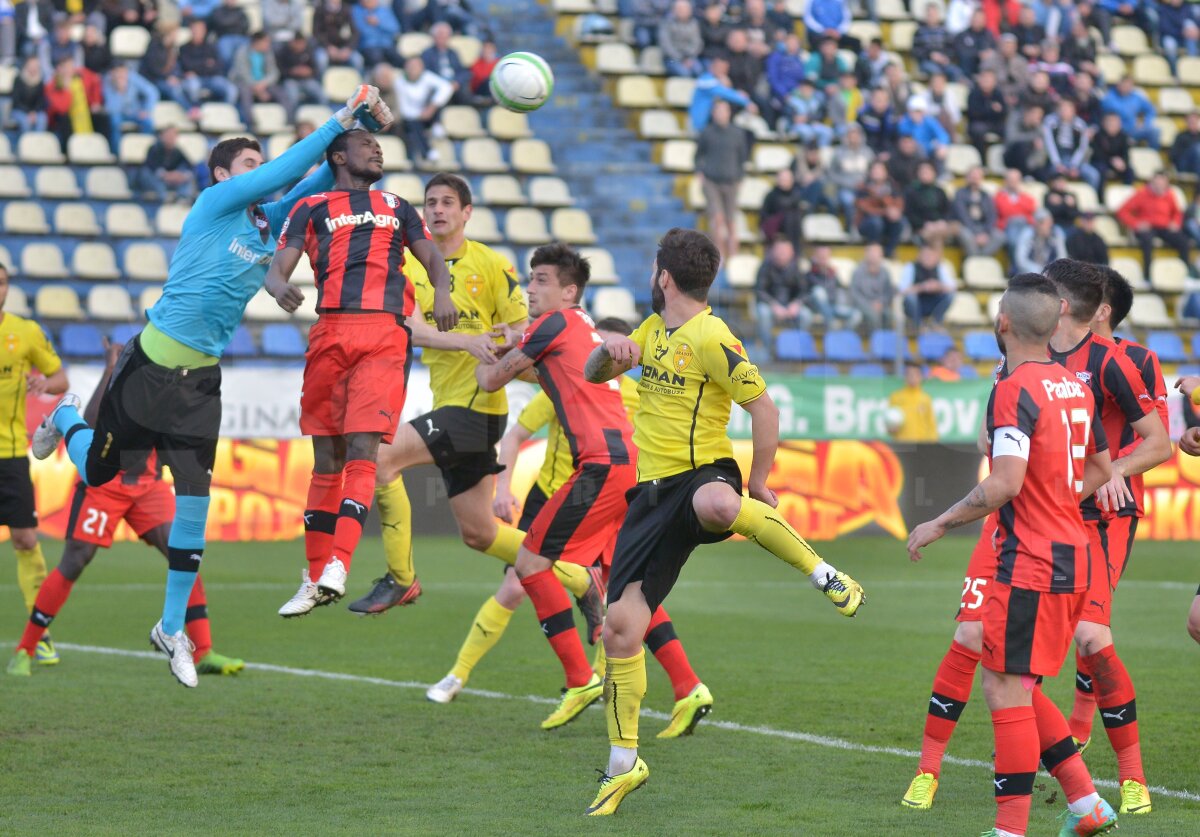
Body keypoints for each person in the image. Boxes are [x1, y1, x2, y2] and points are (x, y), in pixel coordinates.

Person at [31, 86, 398, 689]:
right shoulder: (213, 204)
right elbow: (287, 171)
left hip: (201, 379)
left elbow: (310, 186)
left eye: (259, 164)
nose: (261, 174)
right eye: (248, 165)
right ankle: (67, 416)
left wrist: (350, 134)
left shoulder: (266, 223)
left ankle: (171, 626)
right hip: (149, 365)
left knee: (194, 507)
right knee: (97, 475)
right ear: (224, 175)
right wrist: (338, 119)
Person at [581, 228, 865, 815]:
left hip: (702, 474)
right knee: (620, 628)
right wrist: (612, 349)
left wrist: (758, 481)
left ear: (664, 275)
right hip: (650, 499)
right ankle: (622, 764)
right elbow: (591, 374)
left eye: (655, 266)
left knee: (719, 505)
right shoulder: (650, 331)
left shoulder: (713, 336)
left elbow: (764, 406)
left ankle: (824, 573)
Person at [430, 317, 714, 741]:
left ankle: (475, 674)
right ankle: (687, 685)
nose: (608, 362)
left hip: (584, 492)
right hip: (612, 490)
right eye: (604, 352)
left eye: (614, 354)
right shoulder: (610, 385)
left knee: (523, 574)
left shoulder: (599, 383)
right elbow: (519, 427)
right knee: (626, 591)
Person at [907, 272, 1120, 837]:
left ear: (1003, 323)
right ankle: (1086, 802)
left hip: (1030, 560)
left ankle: (1010, 830)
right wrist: (1053, 496)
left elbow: (1002, 483)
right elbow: (1100, 469)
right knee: (1018, 681)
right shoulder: (1075, 384)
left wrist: (939, 522)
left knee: (1002, 686)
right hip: (1075, 552)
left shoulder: (1013, 389)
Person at [347, 174, 601, 628]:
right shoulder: (410, 266)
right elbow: (408, 327)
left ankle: (401, 576)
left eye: (448, 202)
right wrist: (468, 341)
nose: (438, 210)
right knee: (480, 534)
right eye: (430, 203)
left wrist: (508, 339)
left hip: (477, 411)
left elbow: (526, 327)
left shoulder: (490, 264)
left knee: (380, 458)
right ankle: (582, 580)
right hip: (453, 406)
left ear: (467, 212)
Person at [267, 130, 454, 615]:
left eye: (378, 144)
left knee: (363, 445)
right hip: (330, 331)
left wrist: (444, 291)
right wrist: (275, 285)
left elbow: (431, 254)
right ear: (338, 157)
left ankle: (339, 565)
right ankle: (311, 578)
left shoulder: (396, 204)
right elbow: (278, 267)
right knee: (326, 454)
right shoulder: (311, 207)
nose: (376, 149)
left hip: (383, 332)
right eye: (365, 144)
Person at [470, 244, 638, 729]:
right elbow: (534, 360)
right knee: (547, 563)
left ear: (569, 291)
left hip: (600, 465)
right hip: (618, 463)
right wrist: (511, 342)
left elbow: (489, 381)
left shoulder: (553, 324)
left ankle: (580, 674)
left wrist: (478, 351)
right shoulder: (579, 325)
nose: (530, 288)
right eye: (531, 278)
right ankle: (590, 615)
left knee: (529, 563)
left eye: (541, 280)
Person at [7, 339, 243, 678]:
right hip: (104, 485)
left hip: (146, 485)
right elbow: (91, 422)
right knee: (75, 560)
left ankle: (204, 651)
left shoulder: (175, 385)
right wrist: (109, 371)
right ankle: (25, 650)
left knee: (183, 553)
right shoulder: (126, 379)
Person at [1043, 258, 1171, 818]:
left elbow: (1158, 440)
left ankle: (1131, 777)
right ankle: (1048, 771)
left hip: (1104, 517)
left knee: (1092, 635)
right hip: (1045, 516)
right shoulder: (1031, 355)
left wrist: (1114, 471)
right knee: (1002, 649)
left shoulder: (1127, 360)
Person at [0, 263, 67, 666]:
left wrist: (44, 384)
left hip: (9, 455)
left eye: (2, 282)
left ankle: (39, 633)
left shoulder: (24, 332)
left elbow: (60, 378)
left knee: (25, 539)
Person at [695, 99, 749, 264]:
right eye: (718, 111)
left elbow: (743, 158)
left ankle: (734, 258)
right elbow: (698, 156)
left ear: (729, 113)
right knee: (717, 219)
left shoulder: (738, 134)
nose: (721, 114)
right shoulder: (707, 133)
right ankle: (719, 257)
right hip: (712, 181)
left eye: (724, 111)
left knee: (731, 221)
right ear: (713, 113)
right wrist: (700, 173)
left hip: (731, 181)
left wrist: (740, 177)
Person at [1115, 172, 1193, 274]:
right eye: (1157, 184)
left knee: (1183, 241)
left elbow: (1177, 213)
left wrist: (1175, 223)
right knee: (1147, 241)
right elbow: (1122, 211)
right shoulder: (1142, 194)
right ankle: (1148, 273)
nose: (1160, 187)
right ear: (1152, 183)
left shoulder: (1169, 195)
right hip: (1148, 227)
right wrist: (1136, 224)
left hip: (1164, 227)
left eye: (1162, 184)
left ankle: (1184, 272)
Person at [392, 56, 455, 167]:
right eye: (410, 66)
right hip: (412, 118)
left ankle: (436, 124)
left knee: (438, 97)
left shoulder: (427, 77)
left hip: (428, 113)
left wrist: (431, 108)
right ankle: (428, 152)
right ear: (405, 67)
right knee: (413, 124)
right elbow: (403, 109)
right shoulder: (399, 82)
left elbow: (446, 87)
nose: (413, 69)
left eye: (417, 66)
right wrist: (420, 115)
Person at [754, 238, 808, 353]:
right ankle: (767, 350)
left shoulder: (796, 268)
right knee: (763, 313)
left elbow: (804, 291)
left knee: (806, 315)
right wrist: (774, 306)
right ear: (773, 251)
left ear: (792, 253)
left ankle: (796, 349)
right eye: (779, 250)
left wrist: (796, 304)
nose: (782, 253)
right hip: (770, 306)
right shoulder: (765, 267)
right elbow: (759, 291)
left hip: (790, 306)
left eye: (785, 251)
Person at [178, 18, 237, 112]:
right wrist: (205, 64)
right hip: (195, 79)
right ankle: (197, 111)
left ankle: (223, 113)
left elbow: (218, 66)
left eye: (200, 29)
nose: (197, 32)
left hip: (211, 78)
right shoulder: (184, 48)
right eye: (195, 29)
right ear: (191, 30)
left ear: (204, 31)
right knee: (192, 86)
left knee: (231, 89)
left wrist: (198, 67)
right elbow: (186, 65)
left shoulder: (211, 47)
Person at [1041, 99, 1100, 192]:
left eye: (1068, 109)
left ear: (1073, 111)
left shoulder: (1080, 124)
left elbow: (1082, 147)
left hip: (1074, 158)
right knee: (1050, 174)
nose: (1064, 111)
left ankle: (1091, 200)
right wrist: (1057, 164)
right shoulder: (1050, 122)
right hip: (1055, 158)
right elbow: (1049, 144)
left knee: (1093, 175)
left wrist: (1074, 165)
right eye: (1062, 108)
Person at [130, 124, 197, 204]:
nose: (170, 138)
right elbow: (151, 166)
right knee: (147, 173)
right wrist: (165, 175)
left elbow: (189, 166)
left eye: (173, 135)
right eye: (168, 135)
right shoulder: (154, 149)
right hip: (155, 180)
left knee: (187, 176)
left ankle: (183, 199)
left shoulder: (177, 151)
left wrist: (181, 175)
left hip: (170, 181)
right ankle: (164, 199)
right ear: (162, 136)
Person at [689, 52, 754, 132]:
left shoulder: (718, 82)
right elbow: (722, 92)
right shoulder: (705, 81)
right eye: (720, 68)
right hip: (698, 126)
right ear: (712, 67)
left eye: (725, 69)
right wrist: (746, 102)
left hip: (711, 127)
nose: (723, 72)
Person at [102, 63, 158, 154]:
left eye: (123, 73)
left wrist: (147, 110)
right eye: (118, 73)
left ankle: (144, 152)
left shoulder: (133, 77)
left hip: (135, 112)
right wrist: (120, 91)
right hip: (118, 113)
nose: (121, 76)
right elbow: (111, 108)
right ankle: (117, 154)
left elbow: (152, 92)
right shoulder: (107, 81)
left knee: (148, 122)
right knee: (114, 121)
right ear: (113, 73)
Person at [230, 31, 283, 126]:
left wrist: (263, 84)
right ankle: (250, 122)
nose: (268, 44)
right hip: (244, 82)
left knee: (281, 92)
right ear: (257, 42)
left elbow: (274, 72)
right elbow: (243, 74)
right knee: (245, 92)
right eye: (266, 41)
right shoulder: (242, 52)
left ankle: (287, 121)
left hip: (263, 84)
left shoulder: (268, 53)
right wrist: (257, 88)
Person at [805, 244, 862, 329]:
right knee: (819, 291)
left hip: (833, 306)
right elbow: (806, 294)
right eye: (821, 255)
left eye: (825, 255)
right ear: (815, 256)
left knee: (857, 315)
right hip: (815, 308)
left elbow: (840, 289)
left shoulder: (833, 273)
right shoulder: (810, 273)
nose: (823, 257)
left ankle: (842, 336)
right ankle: (832, 325)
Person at [899, 244, 956, 329]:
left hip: (933, 303)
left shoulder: (940, 267)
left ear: (935, 257)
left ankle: (936, 322)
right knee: (910, 298)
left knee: (950, 295)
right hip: (917, 304)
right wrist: (921, 287)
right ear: (919, 256)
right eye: (925, 255)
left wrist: (938, 286)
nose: (928, 258)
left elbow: (952, 287)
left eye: (930, 255)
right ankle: (918, 325)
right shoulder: (911, 267)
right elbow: (902, 290)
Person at [855, 160, 904, 256]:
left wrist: (895, 211)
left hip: (887, 221)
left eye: (880, 169)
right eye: (874, 169)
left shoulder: (893, 187)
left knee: (899, 222)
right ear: (869, 172)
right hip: (866, 222)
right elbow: (864, 207)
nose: (877, 172)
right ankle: (874, 252)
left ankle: (889, 252)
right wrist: (886, 211)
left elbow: (899, 203)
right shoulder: (862, 187)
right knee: (876, 222)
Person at [955, 166, 1004, 257]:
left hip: (983, 227)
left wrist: (986, 233)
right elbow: (962, 215)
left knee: (1000, 236)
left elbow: (992, 215)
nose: (974, 180)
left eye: (977, 177)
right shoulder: (960, 193)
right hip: (967, 226)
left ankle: (981, 258)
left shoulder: (985, 195)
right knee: (966, 235)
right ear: (967, 178)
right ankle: (973, 260)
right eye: (972, 177)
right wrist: (976, 233)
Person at [1101, 76, 1160, 149]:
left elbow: (1151, 110)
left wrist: (1145, 122)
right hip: (1117, 131)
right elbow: (1106, 113)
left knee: (1154, 131)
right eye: (1124, 85)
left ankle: (1152, 155)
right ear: (1119, 84)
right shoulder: (1109, 97)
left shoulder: (1136, 97)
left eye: (1129, 85)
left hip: (1133, 129)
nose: (1126, 87)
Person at [904, 160, 953, 249]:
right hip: (922, 228)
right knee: (936, 237)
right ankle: (936, 261)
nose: (925, 174)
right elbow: (909, 213)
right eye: (923, 172)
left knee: (956, 227)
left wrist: (943, 221)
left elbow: (948, 210)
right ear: (918, 174)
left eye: (928, 171)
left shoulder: (939, 191)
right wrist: (924, 224)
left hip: (940, 225)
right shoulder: (911, 192)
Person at [276, 32, 325, 118]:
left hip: (306, 80)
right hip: (290, 80)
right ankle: (292, 119)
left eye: (303, 43)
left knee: (321, 95)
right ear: (293, 42)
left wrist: (309, 71)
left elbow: (315, 69)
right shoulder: (283, 52)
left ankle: (322, 117)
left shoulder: (308, 51)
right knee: (293, 96)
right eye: (298, 43)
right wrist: (292, 71)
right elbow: (279, 72)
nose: (301, 46)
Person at [849, 242, 895, 331]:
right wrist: (869, 305)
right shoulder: (857, 272)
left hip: (881, 305)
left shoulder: (885, 272)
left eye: (877, 253)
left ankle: (887, 342)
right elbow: (854, 294)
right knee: (873, 316)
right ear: (866, 254)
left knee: (889, 315)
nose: (874, 256)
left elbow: (888, 292)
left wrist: (881, 303)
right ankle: (875, 342)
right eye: (872, 253)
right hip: (863, 305)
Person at [887, 361, 938, 442]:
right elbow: (889, 425)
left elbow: (931, 426)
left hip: (921, 446)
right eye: (909, 374)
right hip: (902, 446)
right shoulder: (896, 397)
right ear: (905, 376)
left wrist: (932, 446)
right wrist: (892, 429)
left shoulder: (925, 398)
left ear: (921, 377)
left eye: (915, 374)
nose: (912, 377)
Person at [421, 22, 471, 103]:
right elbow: (427, 74)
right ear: (434, 37)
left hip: (454, 85)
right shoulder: (427, 53)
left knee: (464, 91)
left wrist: (456, 82)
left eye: (445, 36)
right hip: (438, 86)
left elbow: (462, 71)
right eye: (440, 35)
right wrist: (444, 84)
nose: (442, 38)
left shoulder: (453, 53)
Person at [913, 3, 964, 80]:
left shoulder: (945, 31)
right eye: (929, 14)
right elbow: (915, 51)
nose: (932, 16)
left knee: (956, 72)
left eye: (934, 14)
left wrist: (945, 57)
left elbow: (951, 49)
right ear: (926, 15)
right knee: (936, 72)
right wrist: (930, 55)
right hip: (927, 62)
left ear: (938, 15)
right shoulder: (919, 32)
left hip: (944, 62)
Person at [1092, 111, 1133, 202]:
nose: (1112, 124)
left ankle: (1128, 198)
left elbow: (1126, 154)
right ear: (1104, 123)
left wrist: (1123, 163)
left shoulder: (1123, 136)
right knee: (1101, 171)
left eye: (1115, 122)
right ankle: (1100, 200)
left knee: (1130, 171)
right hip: (1101, 162)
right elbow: (1097, 155)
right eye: (1110, 122)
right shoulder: (1098, 135)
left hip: (1117, 163)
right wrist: (1112, 161)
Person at [759, 167, 804, 248]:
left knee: (794, 217)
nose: (785, 182)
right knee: (789, 217)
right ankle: (792, 249)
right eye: (783, 179)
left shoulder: (796, 195)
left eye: (787, 180)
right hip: (774, 225)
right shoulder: (771, 196)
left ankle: (795, 249)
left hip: (793, 224)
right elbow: (764, 215)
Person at [1013, 209, 1067, 275]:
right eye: (1047, 223)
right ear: (1038, 224)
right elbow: (1021, 260)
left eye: (1051, 223)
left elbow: (1062, 257)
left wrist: (1051, 270)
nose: (1050, 226)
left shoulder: (1056, 232)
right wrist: (1039, 270)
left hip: (1050, 273)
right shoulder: (1027, 234)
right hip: (1029, 274)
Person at [659, 0, 704, 78]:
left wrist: (688, 57)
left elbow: (697, 43)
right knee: (684, 73)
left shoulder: (694, 23)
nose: (682, 11)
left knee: (699, 70)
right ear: (674, 10)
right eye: (679, 9)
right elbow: (666, 45)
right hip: (672, 59)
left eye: (685, 9)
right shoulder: (666, 23)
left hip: (690, 58)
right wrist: (681, 58)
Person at [352, 0, 403, 67]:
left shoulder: (384, 10)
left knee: (400, 60)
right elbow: (359, 31)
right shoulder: (355, 11)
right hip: (368, 46)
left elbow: (395, 28)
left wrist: (379, 23)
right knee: (377, 58)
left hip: (387, 45)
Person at [209, 0, 250, 66]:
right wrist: (236, 21)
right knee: (226, 53)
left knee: (248, 51)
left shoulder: (240, 10)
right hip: (224, 37)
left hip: (241, 37)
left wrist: (231, 22)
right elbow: (222, 23)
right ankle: (229, 73)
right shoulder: (218, 11)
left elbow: (246, 25)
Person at [1170, 111, 1200, 180]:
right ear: (1186, 122)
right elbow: (1173, 155)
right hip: (1184, 164)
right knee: (1197, 148)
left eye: (1195, 121)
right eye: (1191, 121)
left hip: (1197, 165)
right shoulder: (1181, 136)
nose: (1193, 123)